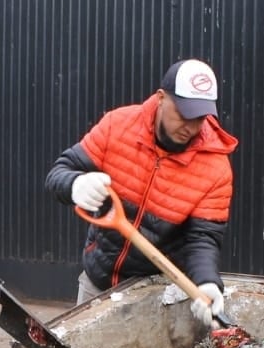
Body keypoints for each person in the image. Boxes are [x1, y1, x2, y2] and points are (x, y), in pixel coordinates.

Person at [45, 58, 238, 325]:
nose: (191, 127)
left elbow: (202, 239)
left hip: (154, 296)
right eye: (183, 114)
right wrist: (74, 184)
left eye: (200, 117)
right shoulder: (118, 125)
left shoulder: (215, 167)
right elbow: (59, 173)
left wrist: (206, 282)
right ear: (161, 98)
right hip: (96, 284)